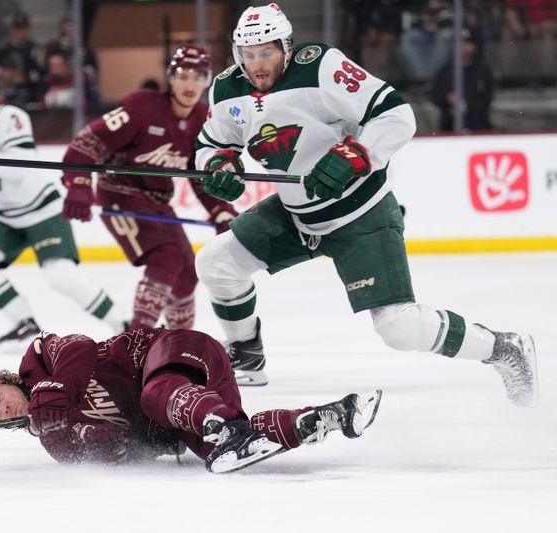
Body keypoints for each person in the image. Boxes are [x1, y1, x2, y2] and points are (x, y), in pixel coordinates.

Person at [191, 3, 538, 407]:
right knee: (217, 262)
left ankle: (504, 348)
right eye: (248, 55)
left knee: (399, 328)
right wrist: (218, 166)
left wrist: (355, 154)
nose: (258, 64)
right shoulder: (227, 89)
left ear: (287, 48)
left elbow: (396, 115)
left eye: (266, 52)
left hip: (362, 214)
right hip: (297, 213)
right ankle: (247, 356)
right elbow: (213, 142)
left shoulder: (321, 67)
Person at [0, 327, 382, 473]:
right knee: (217, 453)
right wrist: (79, 432)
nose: (1, 408)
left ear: (8, 381)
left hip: (176, 350)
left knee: (154, 395)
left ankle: (224, 427)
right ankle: (325, 417)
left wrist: (55, 391)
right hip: (195, 402)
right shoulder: (54, 442)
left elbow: (79, 346)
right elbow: (124, 454)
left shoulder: (39, 358)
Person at [61, 45, 238, 331]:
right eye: (183, 75)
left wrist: (221, 211)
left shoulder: (201, 122)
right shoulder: (143, 107)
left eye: (199, 76)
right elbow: (88, 141)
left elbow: (201, 177)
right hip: (119, 196)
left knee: (187, 273)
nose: (190, 84)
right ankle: (137, 340)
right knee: (165, 258)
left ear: (208, 81)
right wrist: (78, 183)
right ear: (170, 77)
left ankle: (178, 342)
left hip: (157, 203)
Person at [0, 71, 127, 350]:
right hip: (4, 218)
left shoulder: (8, 117)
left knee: (60, 276)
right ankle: (24, 321)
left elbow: (21, 165)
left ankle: (123, 325)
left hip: (42, 210)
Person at [431, 29, 494, 132]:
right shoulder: (446, 71)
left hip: (478, 126)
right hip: (449, 126)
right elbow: (435, 95)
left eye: (468, 43)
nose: (464, 47)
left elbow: (486, 100)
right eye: (461, 43)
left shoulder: (482, 72)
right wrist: (447, 98)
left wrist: (466, 104)